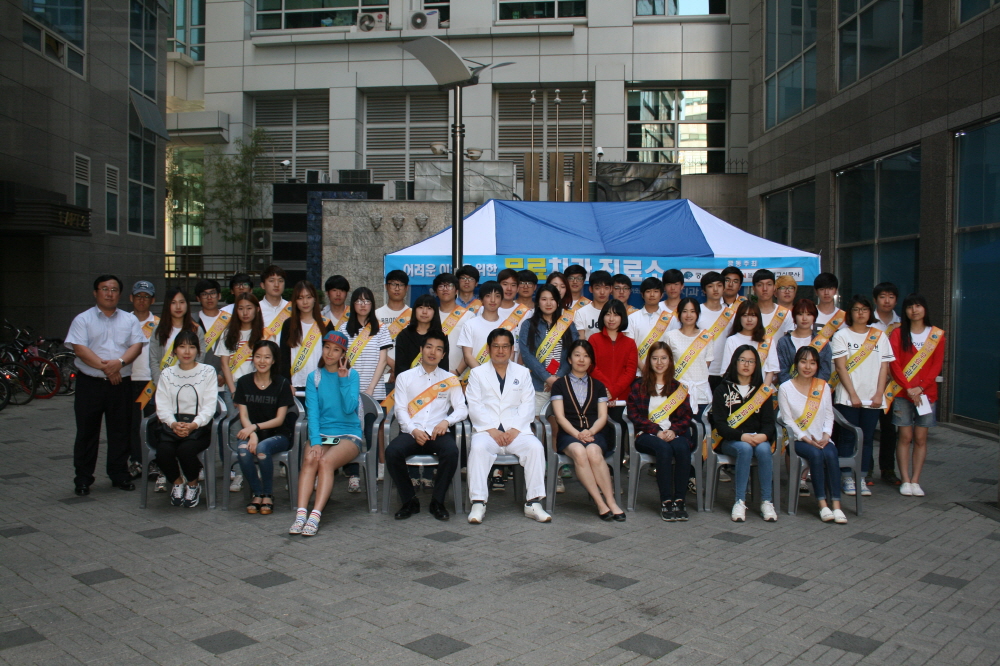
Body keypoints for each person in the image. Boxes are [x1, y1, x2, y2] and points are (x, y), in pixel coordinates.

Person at [65, 275, 147, 496]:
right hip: (90, 384)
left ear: (119, 294)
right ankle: (83, 478)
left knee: (120, 430)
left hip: (121, 384)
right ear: (95, 293)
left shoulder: (129, 320)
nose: (109, 293)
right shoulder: (83, 319)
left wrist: (119, 364)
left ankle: (119, 474)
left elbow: (136, 346)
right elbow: (80, 350)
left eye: (114, 289)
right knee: (87, 432)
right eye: (104, 289)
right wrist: (109, 369)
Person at [465, 329, 552, 524]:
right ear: (488, 349)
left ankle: (534, 502)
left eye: (505, 346)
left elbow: (528, 404)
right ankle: (478, 503)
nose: (500, 350)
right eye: (496, 346)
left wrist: (514, 430)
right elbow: (474, 405)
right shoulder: (477, 373)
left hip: (516, 431)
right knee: (478, 449)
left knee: (535, 447)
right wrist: (492, 430)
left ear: (512, 349)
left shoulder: (522, 372)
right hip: (487, 431)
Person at [385, 333, 468, 520]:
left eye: (438, 349)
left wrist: (446, 421)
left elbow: (462, 409)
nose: (433, 352)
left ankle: (437, 502)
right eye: (429, 347)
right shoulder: (405, 377)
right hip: (411, 432)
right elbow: (400, 409)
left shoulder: (450, 379)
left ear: (443, 354)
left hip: (438, 433)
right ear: (421, 350)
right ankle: (409, 501)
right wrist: (413, 430)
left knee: (451, 452)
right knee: (392, 452)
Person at [289, 331, 364, 536]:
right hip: (323, 434)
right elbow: (312, 413)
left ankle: (315, 515)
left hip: (348, 434)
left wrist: (343, 380)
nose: (330, 353)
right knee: (310, 459)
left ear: (343, 354)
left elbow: (349, 408)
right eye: (327, 347)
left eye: (336, 350)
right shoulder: (314, 377)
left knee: (325, 462)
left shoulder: (352, 375)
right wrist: (315, 441)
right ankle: (301, 514)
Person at [551, 339, 625, 520]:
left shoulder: (598, 386)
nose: (581, 360)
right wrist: (577, 434)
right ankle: (600, 503)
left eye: (586, 356)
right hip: (569, 434)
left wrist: (590, 432)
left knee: (593, 452)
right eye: (577, 355)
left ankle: (611, 502)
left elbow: (602, 416)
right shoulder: (559, 384)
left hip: (595, 433)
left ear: (591, 360)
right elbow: (560, 417)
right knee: (579, 451)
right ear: (569, 359)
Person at [830, 295, 894, 497]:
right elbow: (840, 367)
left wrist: (879, 394)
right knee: (848, 437)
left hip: (873, 398)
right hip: (848, 398)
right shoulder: (842, 335)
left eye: (864, 309)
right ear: (850, 313)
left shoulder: (879, 336)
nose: (860, 313)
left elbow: (884, 367)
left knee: (866, 439)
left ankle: (862, 477)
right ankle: (846, 477)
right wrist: (853, 394)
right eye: (856, 309)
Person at [626, 342, 696, 521]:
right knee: (663, 449)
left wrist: (674, 430)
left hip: (673, 433)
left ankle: (679, 500)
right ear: (649, 361)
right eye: (655, 358)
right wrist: (656, 430)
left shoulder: (678, 388)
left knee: (682, 447)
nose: (659, 362)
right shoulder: (639, 386)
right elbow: (634, 415)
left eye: (663, 358)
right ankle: (666, 500)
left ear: (670, 360)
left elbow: (686, 416)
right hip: (646, 435)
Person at [147, 288, 208, 491]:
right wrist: (164, 385)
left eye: (182, 302)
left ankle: (190, 475)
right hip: (166, 391)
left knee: (187, 443)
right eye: (173, 302)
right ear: (167, 305)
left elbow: (200, 359)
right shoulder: (159, 331)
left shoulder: (196, 329)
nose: (178, 306)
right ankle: (169, 475)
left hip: (192, 395)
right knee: (165, 439)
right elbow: (154, 361)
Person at [778, 346, 846, 524]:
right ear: (796, 364)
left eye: (812, 363)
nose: (807, 367)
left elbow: (829, 415)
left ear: (817, 366)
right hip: (798, 439)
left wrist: (826, 436)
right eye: (803, 362)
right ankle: (822, 504)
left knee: (831, 453)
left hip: (821, 438)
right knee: (816, 454)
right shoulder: (785, 388)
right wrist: (806, 438)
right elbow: (787, 420)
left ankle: (836, 505)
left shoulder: (823, 387)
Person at [711, 346, 778, 523]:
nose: (746, 365)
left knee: (764, 449)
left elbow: (769, 423)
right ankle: (739, 501)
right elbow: (719, 424)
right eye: (742, 360)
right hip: (731, 440)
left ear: (756, 365)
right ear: (735, 362)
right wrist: (741, 436)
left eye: (751, 361)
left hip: (757, 438)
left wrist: (764, 436)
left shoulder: (762, 391)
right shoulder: (722, 389)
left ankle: (766, 501)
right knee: (745, 449)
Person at [888, 294, 945, 498]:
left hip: (927, 394)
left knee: (921, 438)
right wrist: (909, 387)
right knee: (905, 436)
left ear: (925, 309)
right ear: (905, 311)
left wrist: (920, 388)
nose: (914, 310)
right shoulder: (898, 334)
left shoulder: (936, 334)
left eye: (918, 306)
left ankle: (915, 480)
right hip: (903, 394)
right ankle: (905, 479)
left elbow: (937, 365)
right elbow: (894, 363)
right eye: (910, 307)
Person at [154, 331, 219, 509]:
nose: (187, 351)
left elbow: (209, 406)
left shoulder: (208, 371)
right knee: (163, 452)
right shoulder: (167, 373)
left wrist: (193, 425)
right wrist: (173, 423)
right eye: (182, 347)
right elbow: (162, 405)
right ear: (175, 351)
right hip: (173, 425)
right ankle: (177, 482)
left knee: (186, 450)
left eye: (191, 347)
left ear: (198, 350)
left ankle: (193, 485)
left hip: (199, 426)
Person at [339, 287, 393, 492]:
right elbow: (341, 361)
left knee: (372, 433)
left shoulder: (380, 329)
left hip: (374, 391)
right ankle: (353, 475)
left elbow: (383, 361)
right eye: (359, 301)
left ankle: (374, 472)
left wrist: (370, 387)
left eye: (367, 301)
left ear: (372, 304)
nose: (363, 305)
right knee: (351, 433)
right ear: (353, 304)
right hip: (349, 392)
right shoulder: (344, 329)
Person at [233, 339, 295, 515]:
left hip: (278, 434)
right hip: (252, 432)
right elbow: (243, 415)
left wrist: (254, 428)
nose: (262, 361)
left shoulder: (282, 383)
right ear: (252, 358)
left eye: (267, 357)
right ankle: (257, 492)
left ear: (273, 360)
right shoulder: (244, 382)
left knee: (262, 448)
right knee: (243, 450)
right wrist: (252, 434)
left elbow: (279, 419)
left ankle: (267, 493)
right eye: (258, 356)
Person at [518, 284, 578, 416]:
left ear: (558, 302)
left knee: (561, 423)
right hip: (538, 386)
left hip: (563, 384)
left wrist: (557, 378)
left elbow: (574, 353)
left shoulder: (568, 325)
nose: (548, 303)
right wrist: (547, 378)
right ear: (538, 302)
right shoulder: (528, 325)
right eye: (544, 299)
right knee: (536, 423)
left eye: (552, 299)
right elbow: (527, 355)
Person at [871, 282, 902, 485]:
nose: (887, 301)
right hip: (871, 382)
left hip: (893, 384)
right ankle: (865, 469)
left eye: (891, 296)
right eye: (883, 296)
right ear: (876, 300)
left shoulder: (902, 324)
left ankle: (888, 469)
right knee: (866, 428)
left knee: (890, 429)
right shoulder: (869, 322)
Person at [460, 281, 528, 373]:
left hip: (502, 376)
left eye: (497, 296)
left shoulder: (509, 326)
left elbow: (511, 354)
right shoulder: (469, 324)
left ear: (501, 299)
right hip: (476, 376)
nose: (493, 300)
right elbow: (468, 356)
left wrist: (499, 376)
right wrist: (483, 375)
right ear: (481, 300)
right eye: (488, 296)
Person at [278, 281, 332, 391]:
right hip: (295, 384)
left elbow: (332, 356)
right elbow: (283, 357)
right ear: (295, 301)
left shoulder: (326, 324)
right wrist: (286, 383)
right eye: (300, 298)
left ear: (315, 299)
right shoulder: (289, 324)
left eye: (309, 297)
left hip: (321, 384)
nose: (305, 302)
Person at [128, 280, 157, 479]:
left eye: (146, 297)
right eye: (138, 296)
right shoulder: (123, 321)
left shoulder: (159, 323)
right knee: (132, 424)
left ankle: (154, 462)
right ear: (131, 298)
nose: (141, 300)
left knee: (153, 424)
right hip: (128, 379)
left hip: (151, 381)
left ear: (152, 300)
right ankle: (136, 461)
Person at [666, 297, 714, 418]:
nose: (688, 315)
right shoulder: (670, 336)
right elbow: (667, 365)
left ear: (697, 314)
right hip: (677, 393)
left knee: (702, 427)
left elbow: (706, 364)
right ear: (679, 314)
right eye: (685, 311)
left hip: (701, 393)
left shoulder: (706, 336)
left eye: (692, 311)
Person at [776, 299, 833, 386]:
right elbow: (782, 371)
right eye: (800, 314)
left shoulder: (822, 342)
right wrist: (794, 389)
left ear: (814, 317)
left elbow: (825, 371)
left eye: (809, 314)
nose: (804, 318)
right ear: (794, 317)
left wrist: (812, 389)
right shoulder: (784, 342)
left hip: (815, 391)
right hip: (790, 390)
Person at [590, 300, 638, 403]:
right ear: (603, 316)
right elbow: (592, 367)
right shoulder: (594, 339)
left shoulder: (630, 343)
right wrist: (608, 391)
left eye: (616, 315)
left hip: (622, 398)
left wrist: (613, 392)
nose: (611, 319)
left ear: (622, 317)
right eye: (608, 314)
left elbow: (630, 372)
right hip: (598, 395)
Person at [217, 293, 265, 395]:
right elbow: (224, 364)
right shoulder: (227, 334)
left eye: (249, 308)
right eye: (241, 309)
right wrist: (233, 391)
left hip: (258, 385)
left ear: (257, 309)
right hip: (234, 384)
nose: (245, 313)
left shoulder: (264, 334)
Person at [723, 300, 779, 385]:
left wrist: (762, 391)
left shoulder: (767, 341)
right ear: (739, 318)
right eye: (745, 315)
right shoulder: (731, 340)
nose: (749, 320)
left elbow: (771, 371)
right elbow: (727, 370)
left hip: (762, 390)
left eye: (753, 315)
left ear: (758, 318)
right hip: (737, 389)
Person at [626, 277, 674, 373]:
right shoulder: (632, 318)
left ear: (661, 294)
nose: (652, 295)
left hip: (663, 373)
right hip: (638, 373)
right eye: (648, 291)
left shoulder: (670, 318)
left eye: (656, 291)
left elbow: (673, 348)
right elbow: (630, 348)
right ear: (642, 294)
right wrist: (643, 368)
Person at [698, 272, 736, 393]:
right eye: (710, 286)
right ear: (704, 290)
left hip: (724, 370)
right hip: (699, 370)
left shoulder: (731, 314)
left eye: (719, 285)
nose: (715, 289)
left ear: (724, 288)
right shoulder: (696, 312)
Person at [394, 295, 448, 376]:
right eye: (420, 307)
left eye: (429, 308)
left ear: (435, 312)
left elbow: (444, 367)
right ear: (415, 310)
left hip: (435, 381)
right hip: (408, 381)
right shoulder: (404, 335)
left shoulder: (440, 337)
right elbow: (400, 367)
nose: (424, 312)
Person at [375, 269, 412, 381]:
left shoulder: (413, 315)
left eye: (401, 285)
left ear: (407, 288)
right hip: (382, 373)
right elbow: (374, 344)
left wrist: (400, 368)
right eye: (393, 284)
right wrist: (394, 366)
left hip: (408, 372)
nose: (397, 288)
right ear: (386, 286)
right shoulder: (376, 314)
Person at [434, 273, 474, 377]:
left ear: (456, 291)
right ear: (436, 292)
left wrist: (457, 372)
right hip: (432, 376)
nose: (445, 289)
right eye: (441, 286)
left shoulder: (468, 316)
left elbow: (471, 349)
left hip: (459, 376)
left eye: (449, 286)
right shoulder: (430, 315)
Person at [193, 279, 228, 383]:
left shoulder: (229, 320)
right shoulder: (192, 321)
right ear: (198, 298)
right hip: (198, 379)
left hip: (225, 379)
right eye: (204, 294)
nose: (209, 297)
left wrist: (224, 374)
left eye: (212, 293)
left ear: (219, 296)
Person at [752, 269, 793, 340]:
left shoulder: (786, 314)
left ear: (774, 287)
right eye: (760, 285)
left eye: (769, 284)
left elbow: (788, 342)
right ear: (754, 289)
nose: (765, 289)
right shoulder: (747, 313)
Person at [574, 270, 613, 340]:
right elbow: (581, 340)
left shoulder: (617, 312)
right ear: (591, 289)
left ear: (611, 289)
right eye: (597, 288)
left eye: (606, 288)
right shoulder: (581, 312)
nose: (602, 292)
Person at [259, 265, 290, 339]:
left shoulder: (291, 308)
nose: (276, 285)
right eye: (271, 281)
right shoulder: (256, 308)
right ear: (262, 285)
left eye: (280, 281)